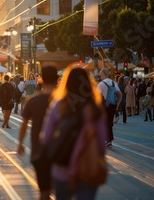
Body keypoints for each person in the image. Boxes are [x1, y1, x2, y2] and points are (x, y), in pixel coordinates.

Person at [41, 66, 107, 199]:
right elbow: (101, 143)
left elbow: (45, 138)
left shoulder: (58, 106)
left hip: (61, 169)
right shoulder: (94, 109)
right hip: (87, 168)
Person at [18, 65, 58, 200]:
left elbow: (24, 124)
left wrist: (20, 143)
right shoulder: (64, 101)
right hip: (61, 150)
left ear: (41, 80)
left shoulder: (34, 100)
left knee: (44, 191)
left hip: (39, 151)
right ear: (57, 79)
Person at [97, 68, 122, 148]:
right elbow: (120, 95)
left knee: (104, 122)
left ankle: (107, 140)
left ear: (104, 74)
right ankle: (109, 139)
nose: (100, 76)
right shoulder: (114, 83)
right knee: (110, 122)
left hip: (104, 105)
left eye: (100, 75)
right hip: (113, 105)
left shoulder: (101, 84)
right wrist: (117, 105)